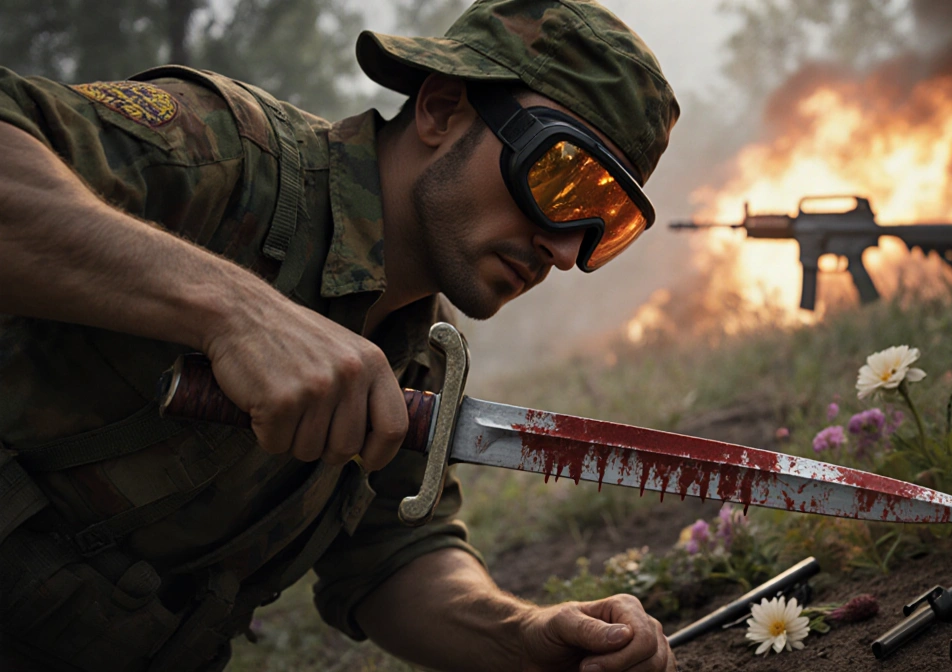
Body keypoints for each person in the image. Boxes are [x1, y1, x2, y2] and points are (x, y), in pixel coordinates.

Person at [0, 1, 679, 670]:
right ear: (442, 108)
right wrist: (236, 311)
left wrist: (521, 635)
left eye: (604, 223)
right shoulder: (229, 156)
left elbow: (392, 557)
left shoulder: (419, 359)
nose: (564, 249)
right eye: (559, 179)